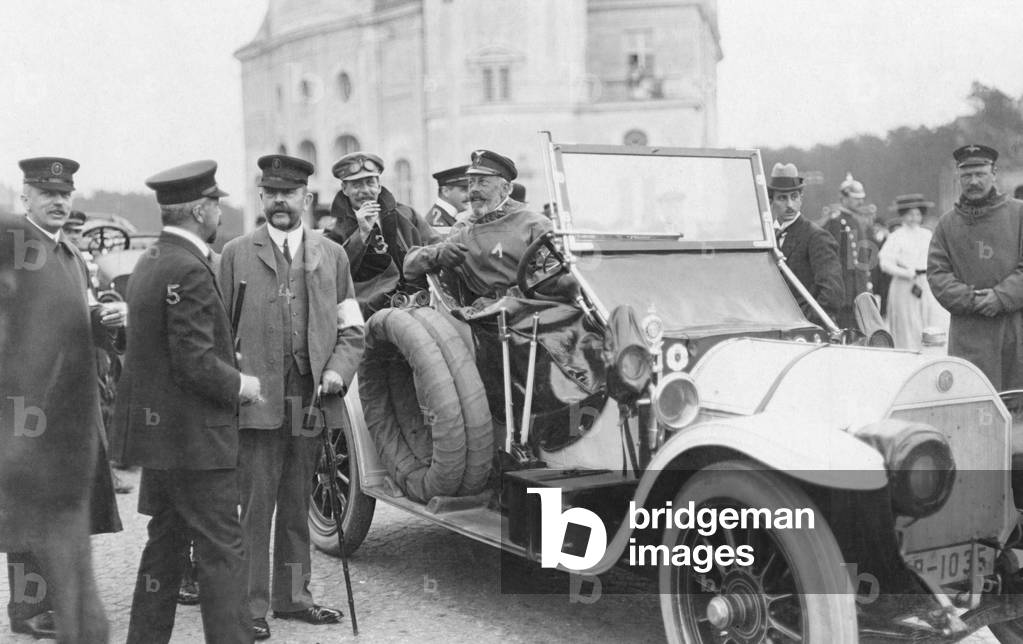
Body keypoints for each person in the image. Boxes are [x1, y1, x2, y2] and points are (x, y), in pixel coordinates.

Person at [112, 160, 261, 643]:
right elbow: (194, 362)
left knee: (165, 550)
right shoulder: (189, 268)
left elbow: (164, 351)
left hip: (162, 443)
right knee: (223, 553)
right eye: (215, 204)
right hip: (196, 443)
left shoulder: (151, 260)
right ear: (200, 210)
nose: (219, 212)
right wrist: (241, 384)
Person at [220, 154, 365, 640]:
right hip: (256, 401)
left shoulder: (333, 256)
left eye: (290, 193)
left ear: (307, 197)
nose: (280, 201)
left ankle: (294, 598)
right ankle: (249, 607)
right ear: (261, 197)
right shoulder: (236, 254)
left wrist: (338, 370)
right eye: (272, 193)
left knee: (298, 501)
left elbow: (352, 329)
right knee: (255, 506)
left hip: (311, 398)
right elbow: (217, 333)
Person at [1, 157, 123, 641]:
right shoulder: (13, 251)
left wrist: (102, 320)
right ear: (25, 197)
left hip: (72, 402)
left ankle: (54, 601)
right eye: (47, 193)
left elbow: (72, 319)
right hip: (25, 402)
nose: (58, 202)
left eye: (64, 194)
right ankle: (27, 607)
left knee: (65, 504)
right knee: (25, 504)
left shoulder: (70, 254)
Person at [928, 144, 1023, 391]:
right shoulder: (946, 224)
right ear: (958, 177)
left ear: (994, 173)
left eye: (980, 174)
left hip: (1014, 330)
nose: (973, 181)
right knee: (971, 399)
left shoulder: (1019, 214)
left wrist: (1000, 297)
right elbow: (938, 275)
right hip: (968, 334)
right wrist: (971, 299)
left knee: (1015, 401)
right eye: (966, 175)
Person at [404, 149, 553, 302]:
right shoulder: (463, 228)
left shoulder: (535, 224)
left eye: (482, 182)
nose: (474, 189)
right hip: (479, 313)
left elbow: (553, 273)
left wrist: (511, 298)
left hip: (530, 307)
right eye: (471, 183)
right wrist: (438, 254)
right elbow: (409, 267)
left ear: (506, 189)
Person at [324, 151, 441, 315]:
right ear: (344, 189)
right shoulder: (335, 230)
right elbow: (332, 274)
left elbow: (435, 245)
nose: (365, 191)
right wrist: (362, 233)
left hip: (417, 301)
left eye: (370, 183)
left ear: (379, 186)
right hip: (368, 312)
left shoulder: (406, 215)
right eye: (356, 185)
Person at [769, 162, 844, 326]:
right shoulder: (767, 238)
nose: (790, 205)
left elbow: (832, 293)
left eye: (794, 197)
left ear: (801, 198)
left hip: (803, 330)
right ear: (771, 200)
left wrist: (807, 323)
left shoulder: (817, 237)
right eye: (782, 198)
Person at [879, 194, 948, 350]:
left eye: (917, 214)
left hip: (925, 283)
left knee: (929, 319)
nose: (914, 218)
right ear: (903, 216)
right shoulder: (896, 236)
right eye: (910, 214)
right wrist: (906, 272)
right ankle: (908, 350)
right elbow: (885, 263)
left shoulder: (927, 234)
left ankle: (928, 351)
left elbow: (936, 257)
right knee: (908, 321)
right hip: (905, 285)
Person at [823, 173, 875, 329]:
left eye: (861, 198)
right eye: (855, 198)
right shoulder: (837, 222)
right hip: (845, 291)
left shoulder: (856, 221)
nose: (860, 202)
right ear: (844, 198)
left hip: (858, 290)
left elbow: (863, 261)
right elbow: (834, 260)